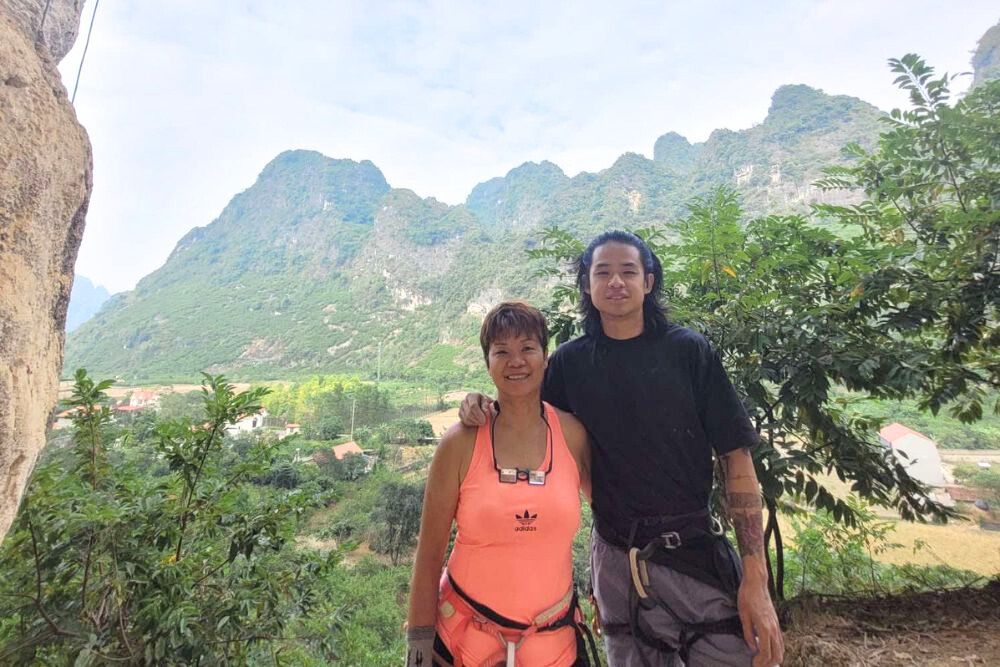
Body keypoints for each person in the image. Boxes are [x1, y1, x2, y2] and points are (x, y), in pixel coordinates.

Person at [459, 231, 784, 666]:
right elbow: (524, 417)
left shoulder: (689, 352)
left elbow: (736, 459)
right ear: (588, 286)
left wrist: (755, 579)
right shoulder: (571, 364)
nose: (616, 281)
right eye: (603, 272)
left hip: (693, 551)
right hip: (616, 561)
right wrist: (480, 405)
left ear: (648, 282)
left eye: (628, 271)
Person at [406, 301, 595, 667]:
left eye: (527, 348)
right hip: (464, 644)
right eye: (502, 352)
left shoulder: (572, 435)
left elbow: (610, 516)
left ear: (545, 356)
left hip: (555, 647)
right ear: (487, 362)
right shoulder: (460, 442)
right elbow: (429, 553)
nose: (516, 361)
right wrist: (417, 646)